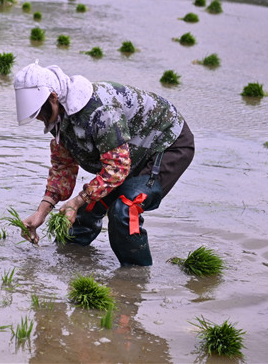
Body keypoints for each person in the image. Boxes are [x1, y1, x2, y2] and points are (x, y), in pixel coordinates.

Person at [14, 62, 194, 266]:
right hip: (129, 151)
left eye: (40, 111)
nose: (38, 117)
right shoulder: (59, 119)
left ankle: (134, 278)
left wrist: (76, 200)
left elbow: (116, 169)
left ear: (53, 97)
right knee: (87, 206)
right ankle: (69, 259)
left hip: (166, 143)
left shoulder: (99, 111)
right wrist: (41, 213)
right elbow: (63, 169)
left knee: (125, 208)